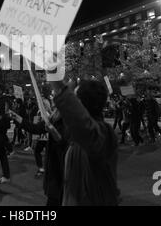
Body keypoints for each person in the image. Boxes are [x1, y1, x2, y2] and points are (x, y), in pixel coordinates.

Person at [47, 66, 119, 205]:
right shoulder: (80, 137)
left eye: (75, 98)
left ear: (81, 104)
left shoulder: (103, 134)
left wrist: (55, 78)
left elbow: (87, 132)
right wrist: (58, 139)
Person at [11, 104, 68, 206]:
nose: (54, 106)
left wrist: (54, 133)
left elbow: (67, 145)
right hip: (54, 170)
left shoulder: (72, 121)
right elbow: (35, 128)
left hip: (64, 171)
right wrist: (17, 117)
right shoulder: (53, 119)